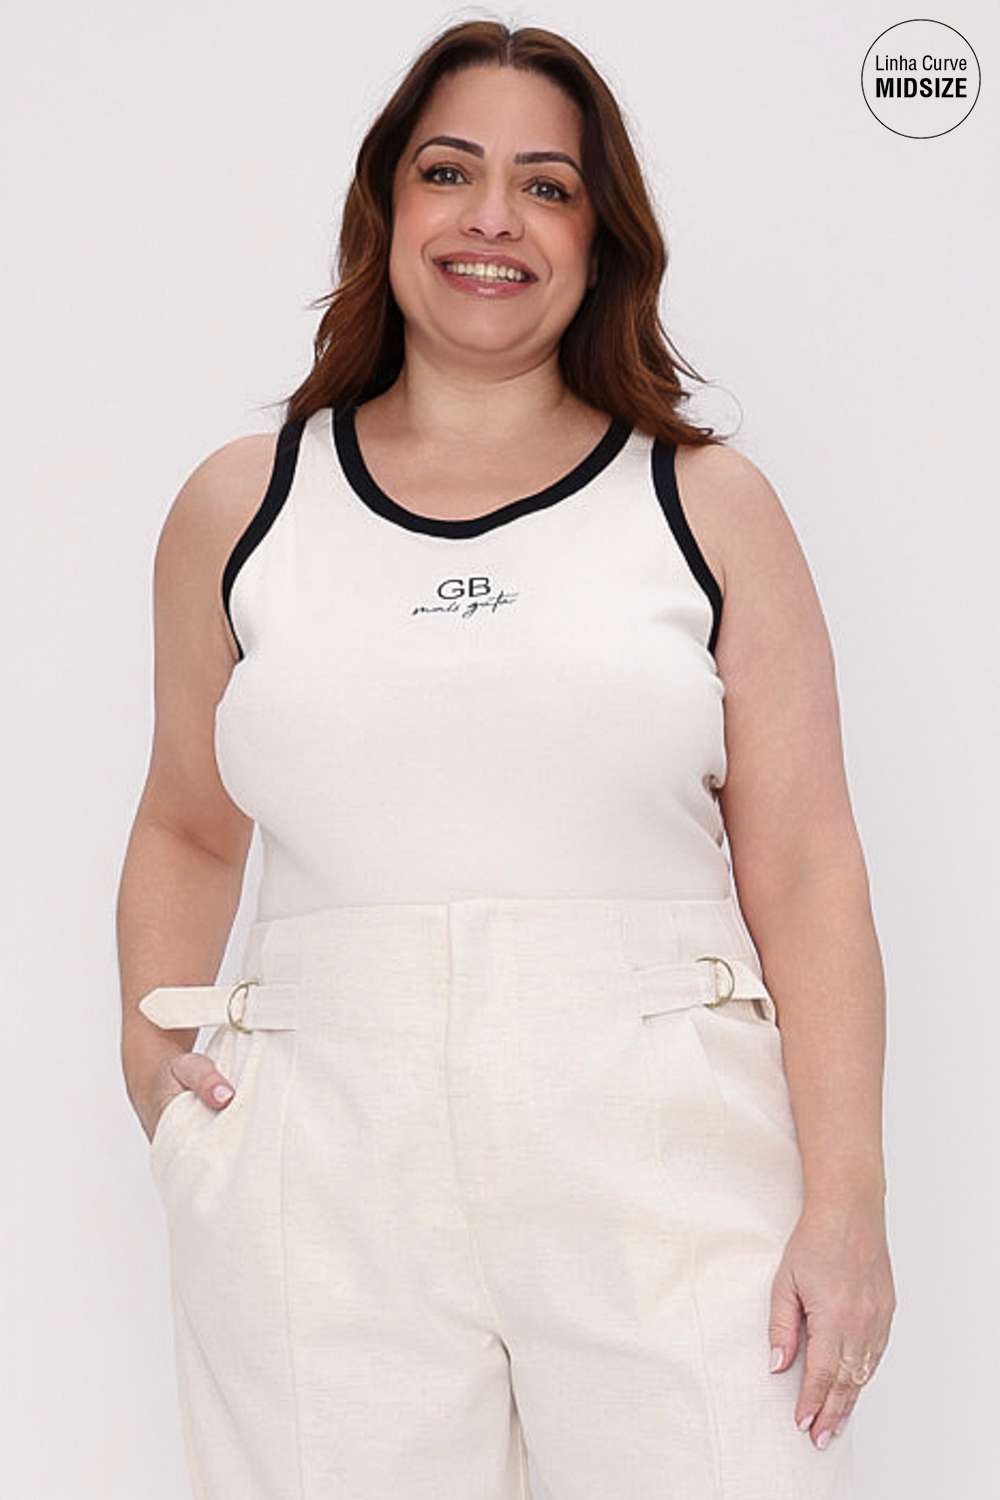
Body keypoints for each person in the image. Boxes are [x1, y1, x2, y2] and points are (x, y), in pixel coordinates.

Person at [118, 19, 895, 1500]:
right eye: (449, 172)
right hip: (318, 1167)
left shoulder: (707, 504)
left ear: (601, 239)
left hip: (669, 1158)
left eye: (546, 186)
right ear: (387, 206)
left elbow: (805, 865)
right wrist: (161, 1089)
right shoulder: (246, 504)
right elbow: (187, 823)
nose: (492, 218)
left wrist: (848, 1198)